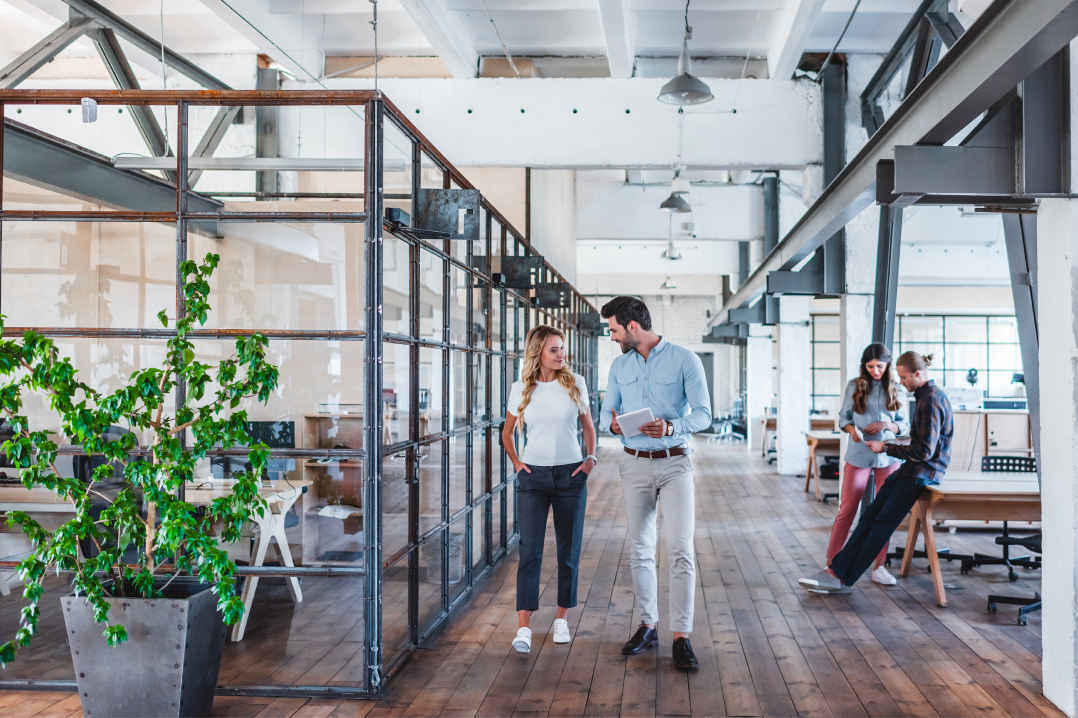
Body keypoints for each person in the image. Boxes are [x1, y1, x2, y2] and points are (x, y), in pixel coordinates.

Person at [598, 296, 712, 670]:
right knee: (641, 549)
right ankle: (648, 626)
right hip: (634, 465)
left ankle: (682, 636)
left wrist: (671, 426)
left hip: (675, 463)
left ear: (632, 327)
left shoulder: (685, 360)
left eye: (613, 329)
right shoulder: (618, 365)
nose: (611, 336)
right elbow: (607, 413)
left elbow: (705, 415)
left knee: (680, 549)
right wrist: (613, 424)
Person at [800, 352, 952, 593]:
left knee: (880, 524)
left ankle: (842, 577)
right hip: (910, 470)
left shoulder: (931, 400)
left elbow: (925, 450)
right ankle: (834, 571)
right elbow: (918, 441)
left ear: (917, 374)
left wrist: (886, 446)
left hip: (922, 473)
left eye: (903, 377)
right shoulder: (924, 397)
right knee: (870, 516)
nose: (901, 382)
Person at [503, 325, 596, 654]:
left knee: (567, 553)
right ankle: (524, 628)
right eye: (554, 350)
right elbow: (507, 432)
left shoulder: (576, 383)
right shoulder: (520, 388)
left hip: (571, 476)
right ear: (538, 352)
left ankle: (561, 618)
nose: (561, 355)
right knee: (530, 551)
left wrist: (590, 461)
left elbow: (588, 427)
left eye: (562, 349)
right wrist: (517, 463)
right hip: (534, 477)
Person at [828, 343, 909, 586]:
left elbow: (905, 425)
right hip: (859, 454)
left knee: (883, 515)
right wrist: (851, 429)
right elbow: (843, 418)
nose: (875, 371)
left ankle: (879, 566)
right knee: (847, 510)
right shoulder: (854, 385)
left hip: (888, 456)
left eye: (880, 367)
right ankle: (832, 563)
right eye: (870, 367)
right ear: (864, 365)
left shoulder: (897, 388)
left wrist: (888, 426)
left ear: (888, 365)